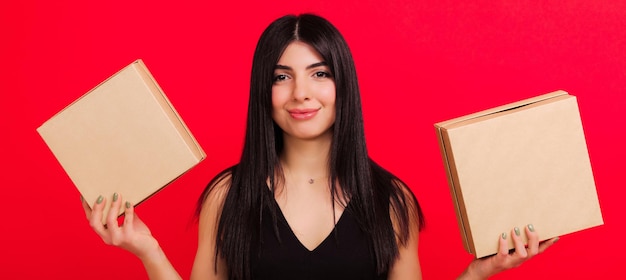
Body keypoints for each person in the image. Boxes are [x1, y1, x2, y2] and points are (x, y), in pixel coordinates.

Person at [82, 14, 558, 280]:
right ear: (262, 92)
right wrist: (146, 251)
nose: (301, 94)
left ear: (343, 86)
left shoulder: (391, 201)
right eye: (282, 77)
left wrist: (478, 273)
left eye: (320, 74)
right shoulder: (228, 195)